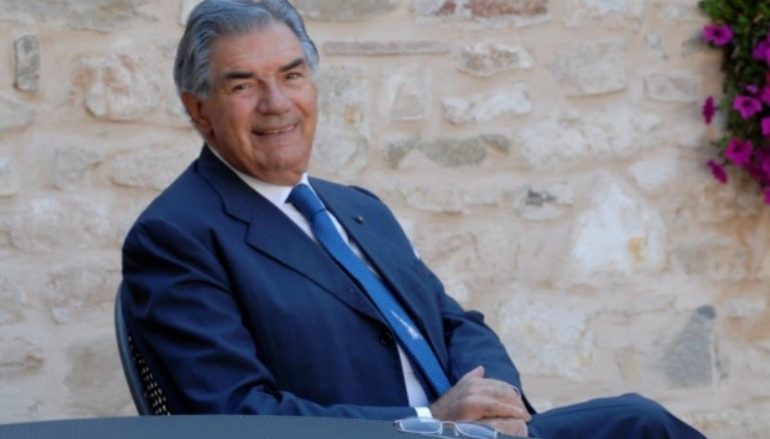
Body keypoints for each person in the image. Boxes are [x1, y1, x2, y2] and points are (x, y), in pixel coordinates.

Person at [120, 0, 705, 437]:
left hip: (475, 436)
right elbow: (237, 416)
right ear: (199, 109)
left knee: (640, 423)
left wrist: (496, 403)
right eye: (245, 85)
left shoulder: (357, 208)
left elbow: (455, 323)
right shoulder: (175, 236)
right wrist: (430, 419)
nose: (277, 103)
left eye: (292, 75)